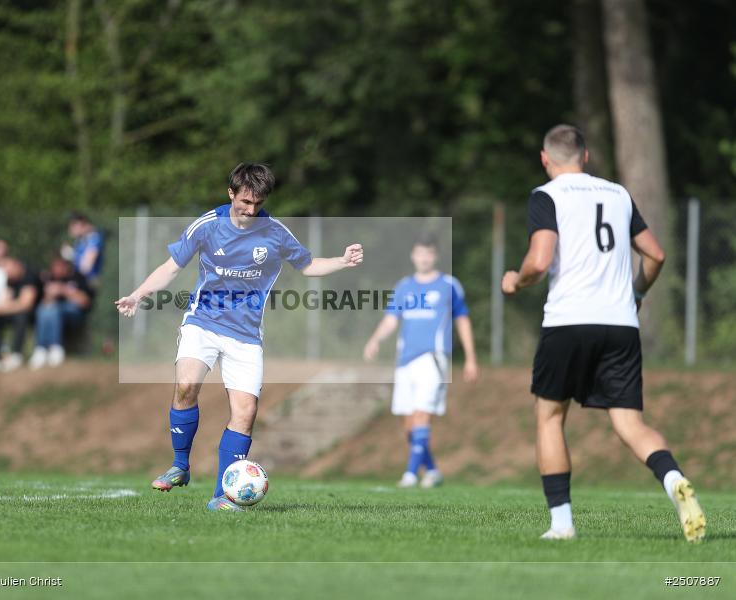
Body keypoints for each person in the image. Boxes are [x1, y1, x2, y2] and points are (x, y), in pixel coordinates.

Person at [116, 163, 363, 512]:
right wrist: (138, 294)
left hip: (246, 336)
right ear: (230, 193)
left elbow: (307, 265)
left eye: (257, 204)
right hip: (202, 321)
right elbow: (171, 267)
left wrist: (342, 261)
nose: (250, 210)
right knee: (186, 385)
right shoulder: (207, 226)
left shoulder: (274, 232)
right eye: (245, 202)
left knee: (245, 413)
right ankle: (181, 465)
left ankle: (222, 495)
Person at [501, 124, 706, 542]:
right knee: (630, 423)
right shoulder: (617, 194)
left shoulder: (547, 195)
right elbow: (656, 254)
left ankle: (561, 525)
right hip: (620, 324)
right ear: (586, 156)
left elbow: (539, 262)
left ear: (545, 159)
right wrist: (636, 293)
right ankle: (673, 481)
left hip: (569, 321)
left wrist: (515, 281)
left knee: (550, 416)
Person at [363, 234, 478, 488]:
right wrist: (376, 339)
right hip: (405, 361)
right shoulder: (404, 286)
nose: (424, 258)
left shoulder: (449, 285)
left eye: (428, 253)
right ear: (413, 255)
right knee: (408, 425)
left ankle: (411, 474)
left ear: (435, 256)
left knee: (420, 415)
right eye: (419, 253)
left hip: (432, 359)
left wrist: (470, 358)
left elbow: (462, 320)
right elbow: (392, 319)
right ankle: (433, 470)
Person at [29, 256, 93, 369]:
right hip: (53, 315)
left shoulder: (77, 277)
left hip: (74, 316)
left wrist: (63, 290)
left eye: (59, 266)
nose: (56, 269)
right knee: (42, 309)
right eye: (54, 266)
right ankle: (41, 349)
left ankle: (55, 347)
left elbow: (85, 302)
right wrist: (49, 295)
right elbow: (44, 302)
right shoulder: (50, 279)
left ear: (66, 266)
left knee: (55, 309)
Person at [67, 212, 104, 288]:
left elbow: (86, 266)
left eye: (73, 224)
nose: (70, 228)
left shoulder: (94, 238)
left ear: (81, 223)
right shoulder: (80, 240)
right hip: (80, 280)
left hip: (89, 282)